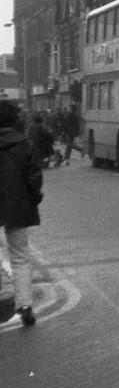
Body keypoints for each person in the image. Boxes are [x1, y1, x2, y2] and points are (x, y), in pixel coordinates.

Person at [0, 101, 43, 326]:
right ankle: (25, 305)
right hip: (17, 205)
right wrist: (33, 199)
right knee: (20, 258)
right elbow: (34, 177)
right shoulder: (25, 144)